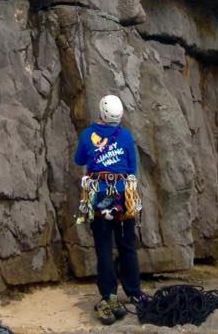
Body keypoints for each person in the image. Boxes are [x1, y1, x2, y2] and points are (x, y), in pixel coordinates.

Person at [74, 94, 147, 325]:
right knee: (127, 246)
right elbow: (132, 168)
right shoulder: (125, 136)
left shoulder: (88, 135)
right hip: (124, 197)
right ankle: (134, 292)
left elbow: (79, 160)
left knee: (104, 249)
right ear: (120, 115)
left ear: (101, 113)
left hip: (98, 198)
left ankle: (108, 295)